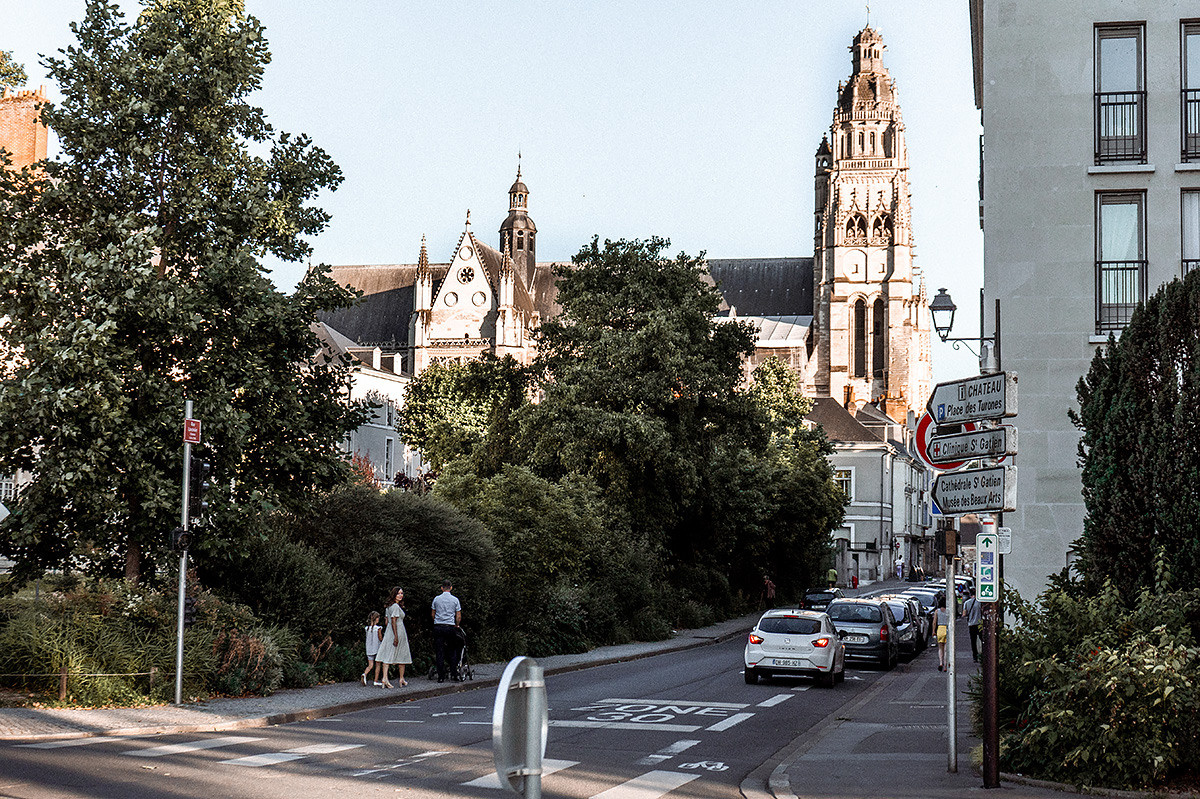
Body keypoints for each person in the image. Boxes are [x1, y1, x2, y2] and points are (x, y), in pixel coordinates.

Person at [374, 586, 412, 688]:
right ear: (394, 594)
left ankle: (395, 678)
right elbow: (393, 621)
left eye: (402, 593)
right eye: (398, 593)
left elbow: (387, 621)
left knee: (390, 653)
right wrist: (395, 636)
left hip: (390, 631)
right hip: (397, 631)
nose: (401, 595)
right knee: (394, 653)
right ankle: (387, 678)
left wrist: (390, 632)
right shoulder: (395, 606)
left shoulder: (389, 607)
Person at [432, 580, 463, 682]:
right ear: (451, 588)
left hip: (438, 626)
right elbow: (458, 615)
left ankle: (441, 676)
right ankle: (454, 674)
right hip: (450, 627)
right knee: (452, 650)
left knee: (439, 651)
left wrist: (437, 620)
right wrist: (457, 625)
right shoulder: (455, 600)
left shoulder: (436, 599)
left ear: (442, 588)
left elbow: (433, 614)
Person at [961, 587, 982, 662]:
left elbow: (964, 614)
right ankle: (982, 655)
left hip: (971, 624)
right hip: (979, 624)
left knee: (973, 641)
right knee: (982, 639)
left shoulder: (967, 603)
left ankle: (975, 657)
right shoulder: (979, 602)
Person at [361, 610, 381, 686]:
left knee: (370, 665)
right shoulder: (378, 628)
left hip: (369, 649)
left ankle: (364, 674)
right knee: (378, 664)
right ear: (376, 619)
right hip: (377, 648)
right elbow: (380, 638)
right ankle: (375, 681)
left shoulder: (367, 628)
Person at [935, 594, 949, 671]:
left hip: (940, 629)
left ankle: (941, 663)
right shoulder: (948, 611)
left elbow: (934, 622)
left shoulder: (937, 611)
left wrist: (933, 631)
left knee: (940, 648)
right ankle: (946, 666)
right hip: (947, 629)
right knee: (946, 650)